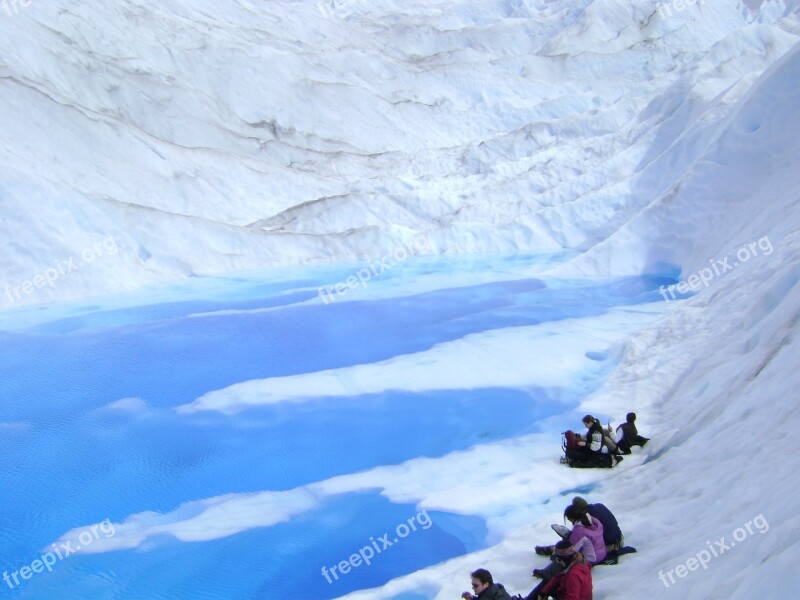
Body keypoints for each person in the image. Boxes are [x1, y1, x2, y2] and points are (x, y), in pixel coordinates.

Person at [522, 541, 593, 600]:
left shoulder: (573, 575)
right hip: (567, 593)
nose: (558, 562)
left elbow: (572, 598)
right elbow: (557, 578)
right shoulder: (574, 564)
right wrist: (543, 593)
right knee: (547, 582)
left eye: (559, 560)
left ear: (566, 559)